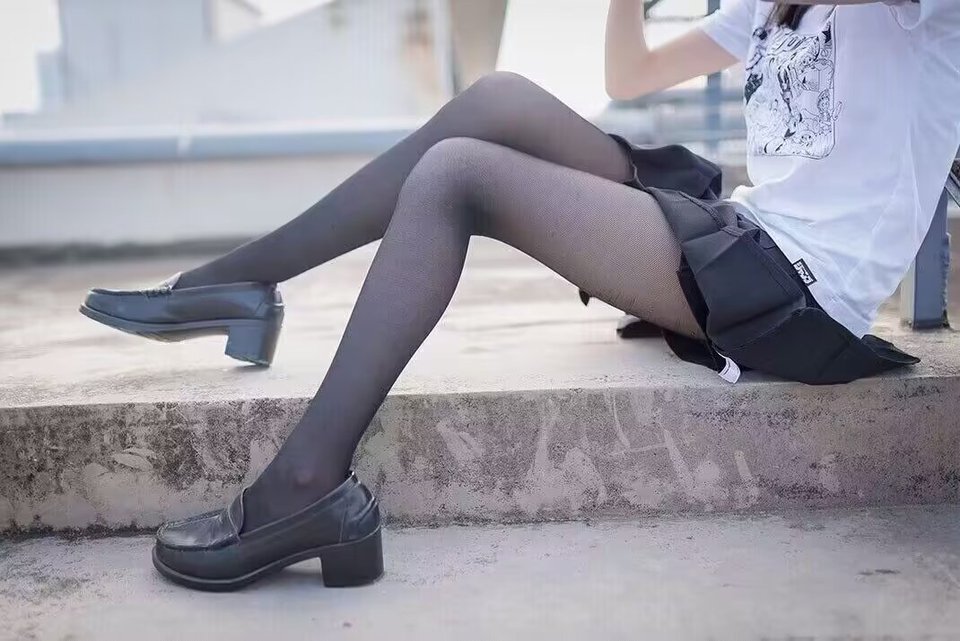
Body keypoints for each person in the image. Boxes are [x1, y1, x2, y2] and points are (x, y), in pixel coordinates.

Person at [78, 0, 960, 591]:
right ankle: (245, 280)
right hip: (744, 232)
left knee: (456, 176)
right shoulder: (770, 6)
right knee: (497, 101)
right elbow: (629, 72)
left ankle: (306, 482)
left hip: (797, 289)